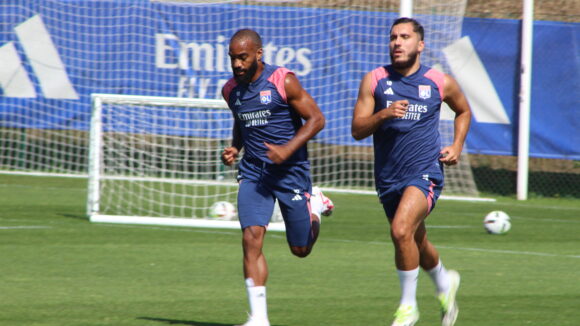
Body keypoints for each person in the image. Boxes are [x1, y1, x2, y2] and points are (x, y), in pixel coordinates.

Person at [351, 18, 472, 326]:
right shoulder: (375, 80)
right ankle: (445, 283)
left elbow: (464, 110)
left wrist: (457, 145)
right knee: (415, 240)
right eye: (393, 37)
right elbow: (357, 130)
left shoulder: (438, 81)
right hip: (388, 179)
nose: (397, 42)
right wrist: (383, 114)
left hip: (425, 173)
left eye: (405, 37)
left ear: (420, 45)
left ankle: (408, 308)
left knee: (401, 230)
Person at [221, 29, 334, 326]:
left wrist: (287, 149)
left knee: (300, 249)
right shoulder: (230, 90)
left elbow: (317, 119)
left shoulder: (283, 81)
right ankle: (259, 319)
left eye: (242, 57)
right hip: (254, 173)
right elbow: (241, 120)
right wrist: (236, 147)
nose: (237, 64)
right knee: (251, 238)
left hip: (291, 171)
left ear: (259, 53)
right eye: (232, 58)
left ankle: (315, 206)